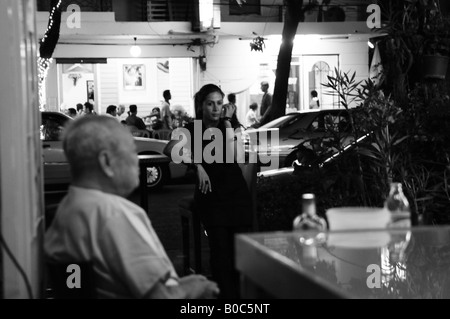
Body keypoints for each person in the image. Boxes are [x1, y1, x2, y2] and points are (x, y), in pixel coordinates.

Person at [44, 115, 219, 299]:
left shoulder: (67, 209)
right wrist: (197, 289)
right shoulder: (116, 215)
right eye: (130, 151)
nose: (136, 160)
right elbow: (161, 296)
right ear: (107, 161)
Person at [163, 84, 252, 299]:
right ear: (202, 105)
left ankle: (241, 299)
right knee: (220, 253)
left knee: (241, 252)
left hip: (236, 194)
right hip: (211, 195)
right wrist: (197, 164)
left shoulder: (231, 125)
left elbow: (236, 158)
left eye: (219, 103)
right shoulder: (193, 128)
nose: (215, 108)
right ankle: (226, 298)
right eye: (210, 103)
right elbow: (169, 149)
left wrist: (229, 122)